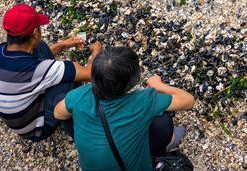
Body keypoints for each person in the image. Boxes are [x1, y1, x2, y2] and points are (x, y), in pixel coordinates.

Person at [54, 47, 195, 171]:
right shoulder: (143, 101)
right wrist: (160, 86)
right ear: (132, 81)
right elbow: (188, 100)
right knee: (162, 121)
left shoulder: (78, 95)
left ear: (93, 76)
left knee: (64, 107)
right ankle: (163, 147)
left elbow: (57, 113)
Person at [0, 4, 102, 142]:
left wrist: (64, 45)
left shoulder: (0, 52)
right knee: (69, 83)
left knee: (40, 47)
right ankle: (76, 129)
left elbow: (38, 59)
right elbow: (90, 73)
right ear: (35, 33)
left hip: (18, 119)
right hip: (36, 130)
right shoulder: (36, 70)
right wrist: (96, 51)